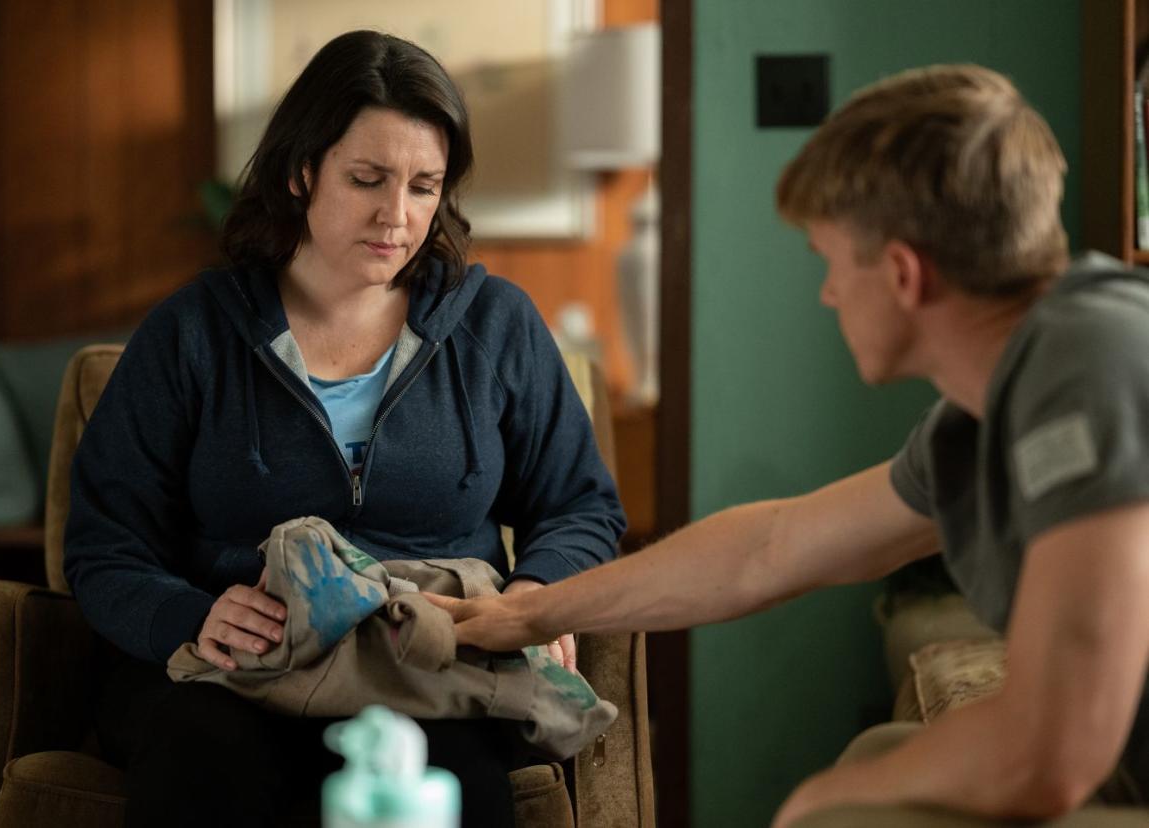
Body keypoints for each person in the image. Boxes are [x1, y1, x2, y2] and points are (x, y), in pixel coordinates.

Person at [428, 64, 1149, 826]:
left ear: (903, 274)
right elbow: (770, 548)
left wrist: (817, 801)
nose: (828, 292)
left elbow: (1046, 755)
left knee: (845, 810)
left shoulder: (1090, 368)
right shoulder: (985, 417)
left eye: (831, 261)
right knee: (877, 757)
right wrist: (533, 615)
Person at [62, 30, 625, 828]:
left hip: (431, 666)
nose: (398, 217)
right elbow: (102, 541)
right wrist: (192, 617)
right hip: (236, 675)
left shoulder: (497, 325)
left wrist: (534, 597)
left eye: (425, 187)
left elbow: (582, 507)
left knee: (457, 779)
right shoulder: (193, 332)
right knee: (201, 759)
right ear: (301, 173)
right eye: (368, 179)